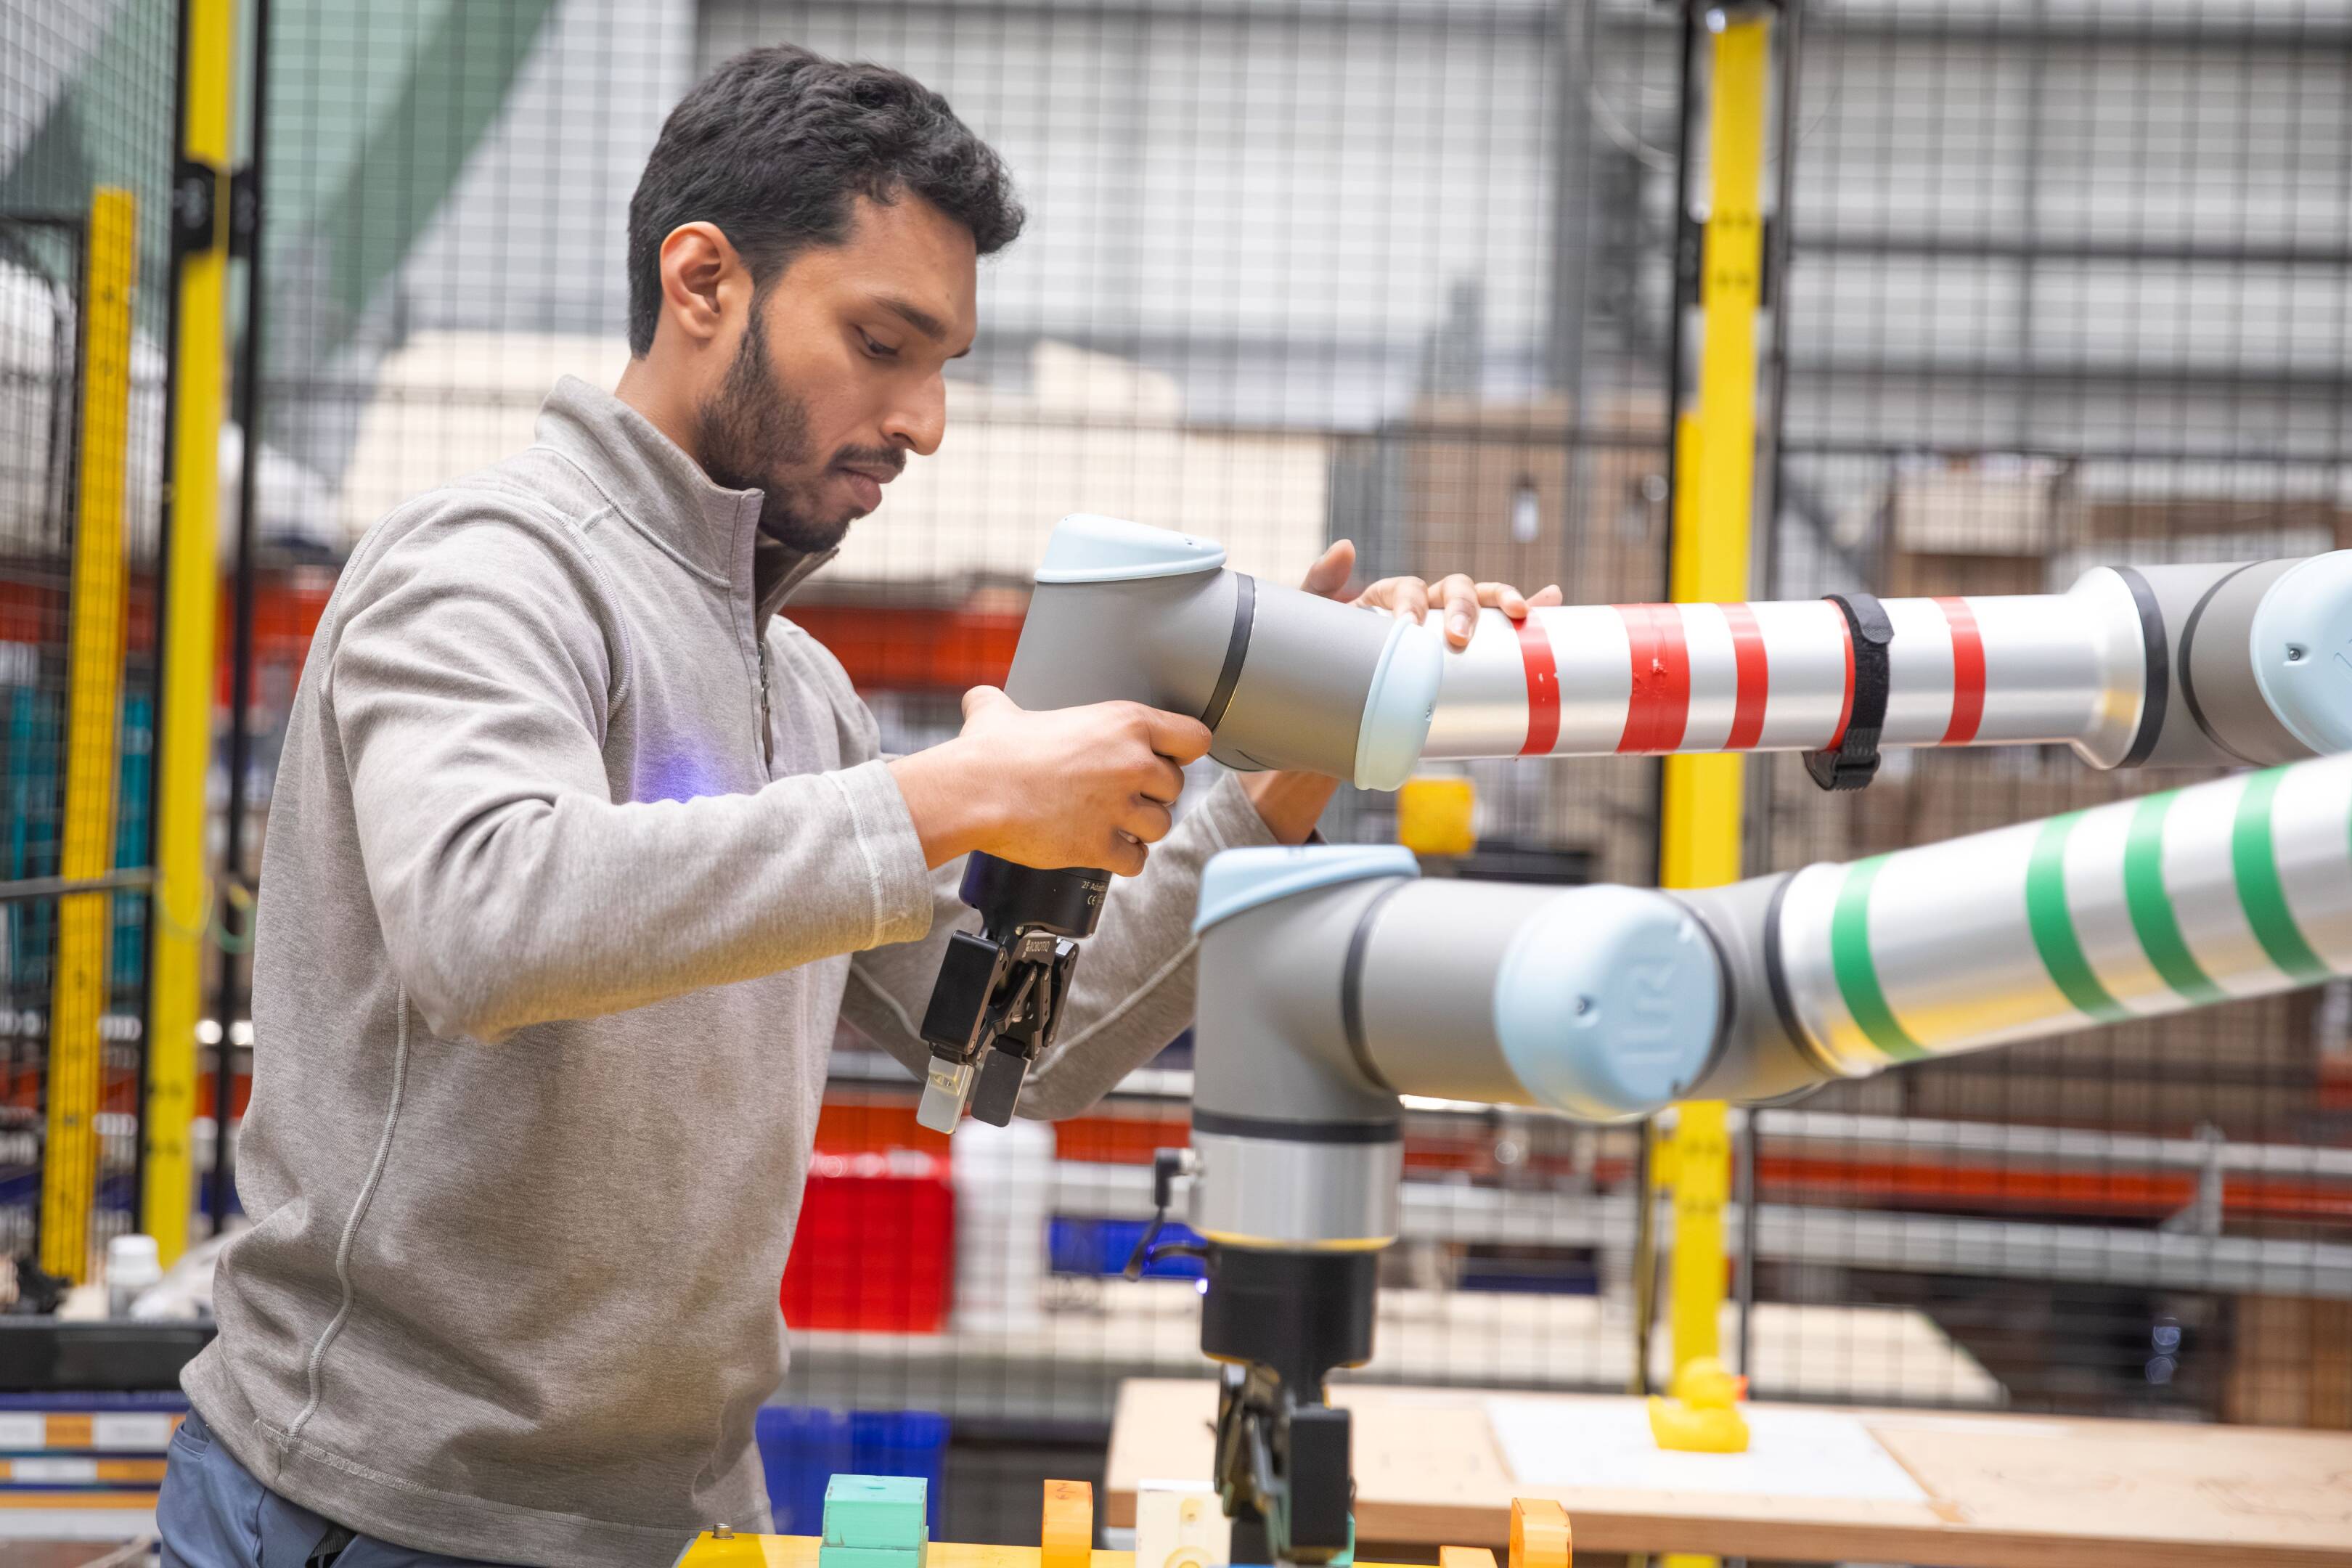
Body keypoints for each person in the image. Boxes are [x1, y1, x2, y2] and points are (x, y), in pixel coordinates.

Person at [157, 44, 1561, 1568]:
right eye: (883, 343)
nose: (925, 418)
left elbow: (1033, 1046)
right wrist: (949, 798)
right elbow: (490, 920)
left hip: (679, 1516)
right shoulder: (487, 568)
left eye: (943, 364)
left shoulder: (796, 683)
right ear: (702, 281)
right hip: (376, 1513)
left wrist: (1289, 768)